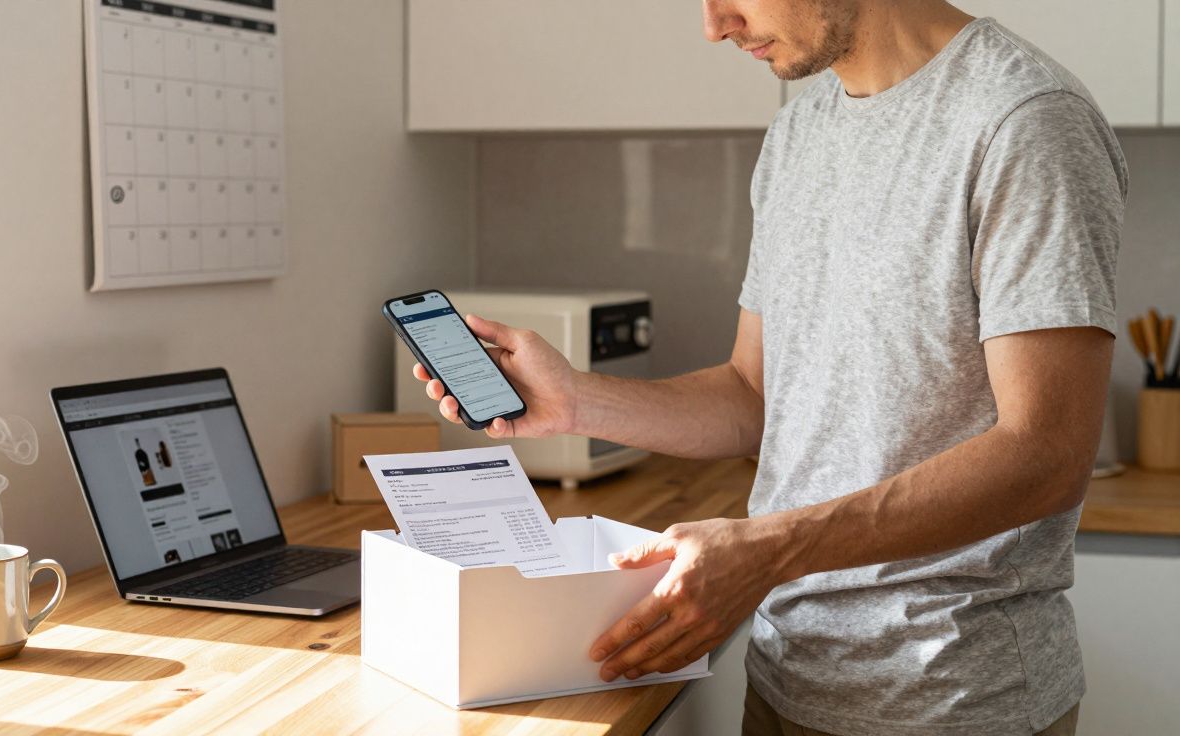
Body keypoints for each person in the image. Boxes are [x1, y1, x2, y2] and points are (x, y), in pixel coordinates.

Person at [412, 1, 1125, 733]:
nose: (714, 24)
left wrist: (768, 550)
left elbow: (1045, 453)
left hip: (952, 701)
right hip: (788, 679)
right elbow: (754, 393)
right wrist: (575, 401)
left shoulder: (1026, 119)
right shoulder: (799, 130)